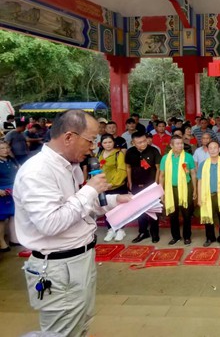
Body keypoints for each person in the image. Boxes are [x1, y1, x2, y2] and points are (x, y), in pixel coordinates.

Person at [13, 110, 131, 336]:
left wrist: (117, 200)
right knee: (62, 332)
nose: (93, 146)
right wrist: (89, 190)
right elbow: (50, 223)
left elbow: (79, 209)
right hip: (58, 268)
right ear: (69, 137)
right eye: (91, 139)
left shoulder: (69, 166)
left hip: (80, 259)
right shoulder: (38, 171)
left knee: (80, 324)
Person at [159, 136, 197, 245]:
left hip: (186, 188)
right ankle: (175, 236)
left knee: (186, 214)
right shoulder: (165, 158)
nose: (181, 145)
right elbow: (161, 176)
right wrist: (162, 192)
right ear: (171, 145)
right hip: (171, 189)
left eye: (181, 143)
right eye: (177, 143)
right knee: (173, 214)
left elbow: (193, 173)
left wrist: (194, 190)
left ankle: (187, 236)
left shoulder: (188, 157)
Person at [126, 131, 162, 243]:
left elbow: (158, 169)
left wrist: (156, 184)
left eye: (144, 141)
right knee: (139, 210)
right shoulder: (130, 152)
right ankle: (143, 232)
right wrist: (130, 182)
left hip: (151, 185)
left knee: (153, 210)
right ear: (133, 143)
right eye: (139, 142)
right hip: (136, 185)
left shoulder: (154, 151)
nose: (143, 144)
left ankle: (154, 232)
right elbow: (128, 168)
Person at [197, 140, 220, 247]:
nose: (213, 150)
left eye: (215, 148)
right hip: (207, 195)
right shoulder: (203, 164)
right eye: (211, 148)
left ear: (219, 149)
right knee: (208, 217)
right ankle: (210, 238)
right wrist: (199, 198)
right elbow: (199, 181)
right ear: (207, 150)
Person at [97, 134, 128, 242]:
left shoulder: (118, 154)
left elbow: (122, 170)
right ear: (101, 144)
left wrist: (113, 183)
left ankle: (120, 230)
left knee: (118, 209)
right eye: (105, 142)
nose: (108, 144)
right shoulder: (100, 154)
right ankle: (110, 229)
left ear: (113, 142)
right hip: (103, 186)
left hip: (117, 186)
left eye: (110, 142)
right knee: (106, 208)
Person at [0, 140, 19, 252]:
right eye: (2, 148)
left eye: (7, 148)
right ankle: (1, 243)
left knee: (13, 215)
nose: (6, 150)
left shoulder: (11, 160)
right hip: (2, 193)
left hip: (13, 191)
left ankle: (13, 239)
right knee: (1, 219)